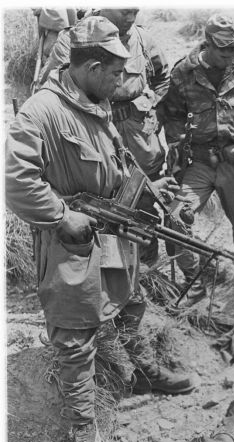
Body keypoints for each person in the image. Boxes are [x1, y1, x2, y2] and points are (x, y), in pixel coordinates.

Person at [5, 17, 198, 442]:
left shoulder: (97, 101)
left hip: (113, 232)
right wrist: (60, 216)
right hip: (70, 243)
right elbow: (15, 181)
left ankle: (140, 371)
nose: (121, 82)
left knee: (131, 302)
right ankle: (82, 427)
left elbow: (114, 166)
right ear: (92, 68)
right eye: (115, 73)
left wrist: (150, 189)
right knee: (75, 337)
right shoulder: (41, 112)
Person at [38, 8, 171, 265]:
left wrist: (148, 106)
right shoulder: (75, 40)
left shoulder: (143, 39)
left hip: (139, 143)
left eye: (135, 10)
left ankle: (147, 273)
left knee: (143, 211)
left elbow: (163, 78)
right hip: (91, 142)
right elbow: (54, 91)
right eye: (125, 10)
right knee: (102, 213)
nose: (131, 16)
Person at [157, 14, 234, 288]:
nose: (230, 54)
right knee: (175, 219)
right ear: (208, 43)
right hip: (198, 164)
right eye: (224, 48)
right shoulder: (184, 72)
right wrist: (178, 151)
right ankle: (197, 278)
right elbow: (172, 115)